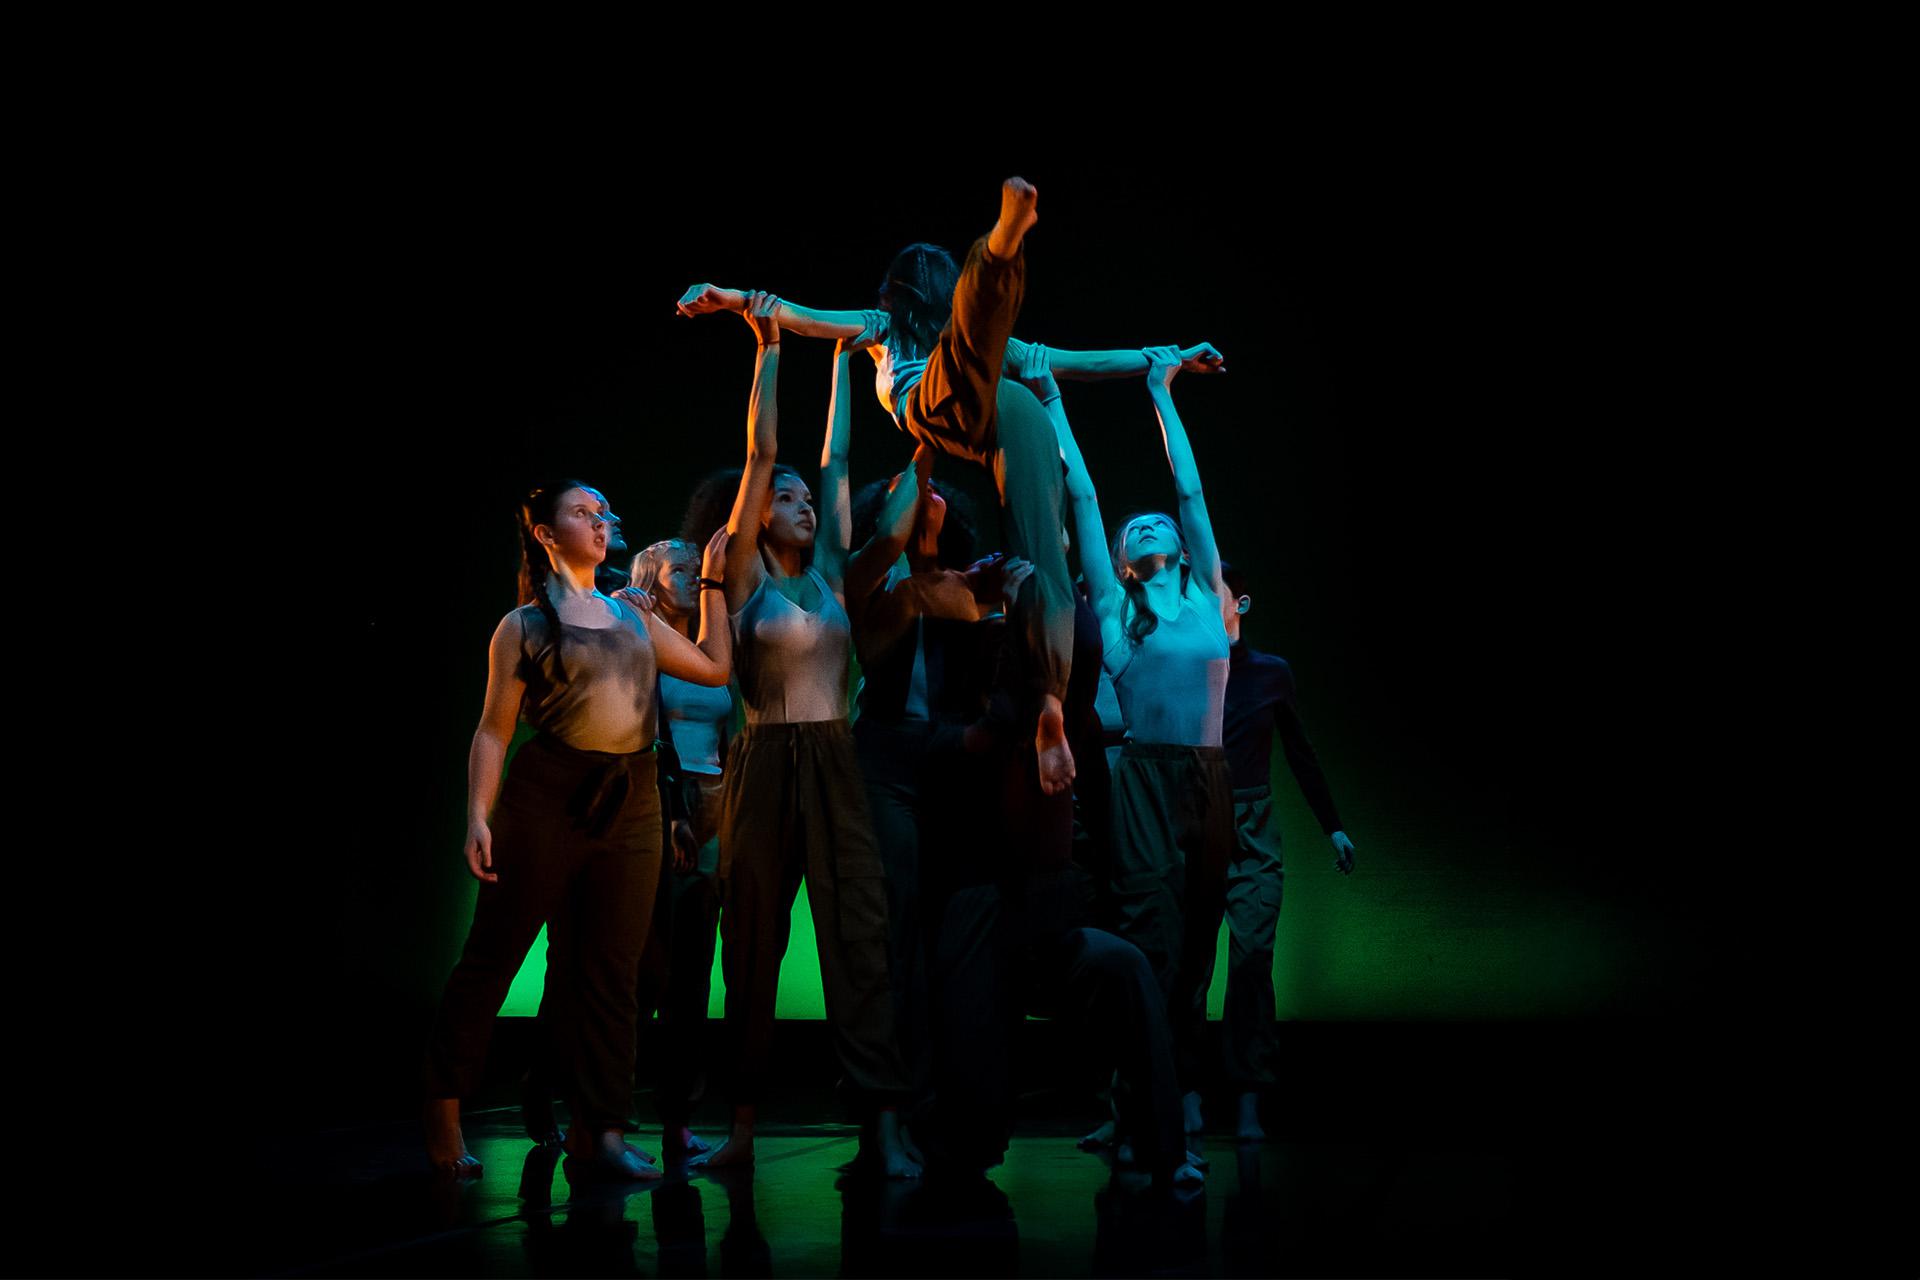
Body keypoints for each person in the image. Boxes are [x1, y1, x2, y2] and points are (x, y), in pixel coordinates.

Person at [675, 177, 1226, 800]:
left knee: (1039, 539)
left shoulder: (892, 328)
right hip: (980, 408)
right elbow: (1086, 364)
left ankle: (996, 254)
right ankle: (999, 256)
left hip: (972, 409)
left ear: (897, 292)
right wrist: (1168, 357)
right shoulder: (902, 331)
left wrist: (735, 300)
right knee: (1038, 535)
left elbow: (798, 316)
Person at [422, 481, 732, 1179]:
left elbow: (715, 668)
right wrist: (477, 813)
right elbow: (494, 730)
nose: (601, 520)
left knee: (615, 973)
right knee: (494, 954)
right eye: (583, 512)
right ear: (545, 534)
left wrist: (711, 582)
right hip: (550, 793)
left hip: (635, 795)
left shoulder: (632, 613)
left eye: (605, 512)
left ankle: (602, 1130)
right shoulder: (525, 625)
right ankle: (442, 1108)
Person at [693, 295, 920, 1177]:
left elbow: (836, 457)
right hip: (764, 760)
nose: (798, 502)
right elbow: (765, 452)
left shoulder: (829, 574)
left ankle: (883, 1126)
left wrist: (846, 361)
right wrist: (770, 343)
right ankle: (742, 1128)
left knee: (858, 935)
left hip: (833, 758)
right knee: (750, 938)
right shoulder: (743, 575)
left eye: (802, 499)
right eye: (780, 498)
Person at [1030, 343, 1234, 1140]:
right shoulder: (1116, 607)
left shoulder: (1208, 594)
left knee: (1195, 946)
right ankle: (1149, 1112)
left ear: (1183, 547)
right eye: (1133, 526)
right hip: (1142, 779)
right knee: (1149, 941)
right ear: (1118, 557)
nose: (1150, 520)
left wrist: (1162, 389)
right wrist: (1050, 398)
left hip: (1208, 778)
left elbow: (1188, 485)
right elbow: (1080, 493)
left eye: (1160, 524)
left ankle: (1167, 1093)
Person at [1216, 558, 1358, 1140]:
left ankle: (1249, 1095)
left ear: (1240, 605)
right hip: (1194, 820)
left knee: (1251, 959)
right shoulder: (1186, 667)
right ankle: (1188, 1095)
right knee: (1187, 967)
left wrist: (1334, 826)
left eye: (1214, 591)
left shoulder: (1271, 672)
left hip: (1252, 824)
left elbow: (1300, 750)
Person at [625, 537, 736, 1159]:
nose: (695, 577)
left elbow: (729, 722)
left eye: (700, 569)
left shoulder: (713, 641)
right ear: (651, 577)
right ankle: (599, 1104)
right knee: (644, 969)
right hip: (659, 799)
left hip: (714, 801)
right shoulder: (639, 635)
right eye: (681, 569)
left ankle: (677, 1119)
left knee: (693, 974)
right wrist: (669, 815)